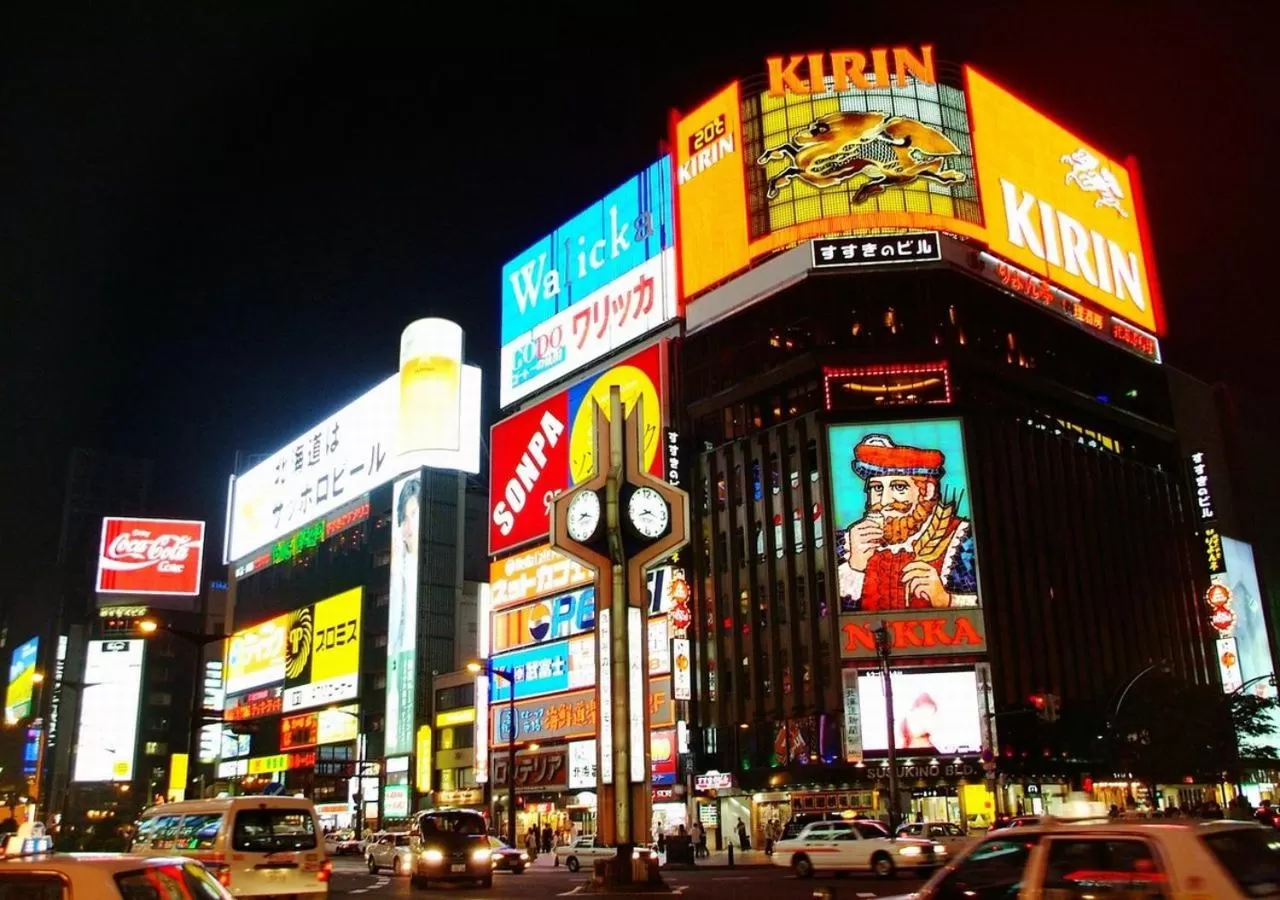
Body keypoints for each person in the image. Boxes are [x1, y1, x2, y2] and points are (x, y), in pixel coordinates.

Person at [835, 434, 978, 611]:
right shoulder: (846, 543)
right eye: (877, 488)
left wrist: (946, 599)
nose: (885, 501)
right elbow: (823, 613)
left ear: (927, 491)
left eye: (899, 487)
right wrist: (854, 567)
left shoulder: (964, 540)